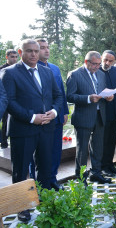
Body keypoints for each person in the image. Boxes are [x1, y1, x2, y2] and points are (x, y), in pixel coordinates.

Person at [0, 39, 62, 222]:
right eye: (29, 51)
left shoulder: (47, 71)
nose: (34, 54)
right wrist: (31, 117)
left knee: (44, 165)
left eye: (36, 51)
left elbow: (58, 95)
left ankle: (44, 199)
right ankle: (22, 206)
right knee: (20, 169)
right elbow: (9, 101)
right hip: (23, 129)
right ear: (20, 52)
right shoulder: (9, 73)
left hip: (46, 128)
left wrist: (55, 111)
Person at [66, 51, 114, 184]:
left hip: (100, 115)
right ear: (86, 62)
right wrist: (88, 98)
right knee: (82, 150)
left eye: (99, 64)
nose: (97, 67)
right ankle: (81, 177)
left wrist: (109, 97)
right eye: (94, 64)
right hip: (83, 117)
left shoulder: (101, 74)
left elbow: (102, 92)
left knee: (98, 147)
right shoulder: (74, 74)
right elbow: (69, 96)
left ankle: (96, 173)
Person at [35, 38, 69, 191]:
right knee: (43, 153)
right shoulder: (34, 68)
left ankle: (53, 179)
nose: (46, 50)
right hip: (41, 118)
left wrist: (65, 111)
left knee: (56, 150)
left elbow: (60, 92)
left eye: (47, 47)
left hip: (56, 115)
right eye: (42, 48)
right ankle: (41, 183)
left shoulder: (55, 68)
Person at [99, 50, 116, 176]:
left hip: (115, 113)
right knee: (103, 141)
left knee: (112, 141)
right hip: (101, 113)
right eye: (105, 59)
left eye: (110, 61)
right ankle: (102, 166)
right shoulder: (97, 71)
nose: (107, 63)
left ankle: (110, 164)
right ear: (101, 58)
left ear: (114, 61)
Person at [0, 49, 18, 149]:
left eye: (16, 57)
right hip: (4, 100)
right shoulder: (1, 69)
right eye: (12, 57)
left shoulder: (18, 69)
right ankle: (3, 143)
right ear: (7, 57)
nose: (14, 59)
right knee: (5, 121)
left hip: (16, 99)